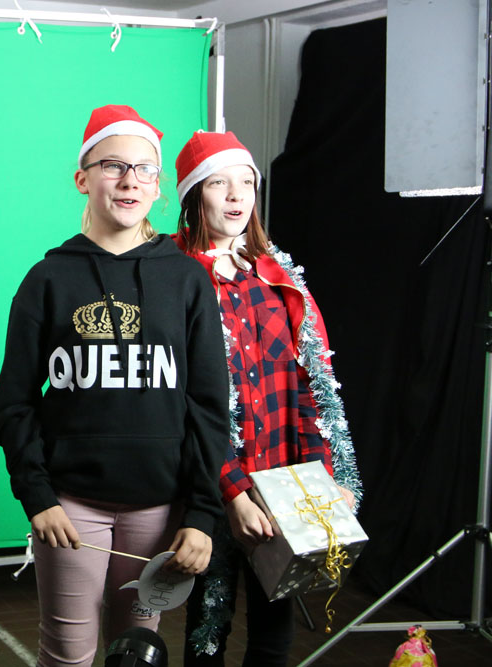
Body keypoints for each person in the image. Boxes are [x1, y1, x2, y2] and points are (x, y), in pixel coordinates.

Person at [0, 105, 229, 667]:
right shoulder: (48, 279)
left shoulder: (187, 279)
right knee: (68, 655)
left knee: (136, 652)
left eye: (145, 169)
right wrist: (38, 497)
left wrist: (201, 514)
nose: (129, 180)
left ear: (159, 186)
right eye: (113, 165)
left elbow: (209, 408)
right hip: (72, 508)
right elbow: (12, 404)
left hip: (159, 509)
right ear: (82, 178)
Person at [172, 130, 363, 666]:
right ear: (193, 195)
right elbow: (181, 402)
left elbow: (306, 387)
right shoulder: (177, 280)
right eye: (219, 184)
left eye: (247, 183)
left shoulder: (275, 281)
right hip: (212, 488)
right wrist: (232, 492)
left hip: (281, 485)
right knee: (206, 630)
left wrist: (323, 479)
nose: (237, 195)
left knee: (275, 634)